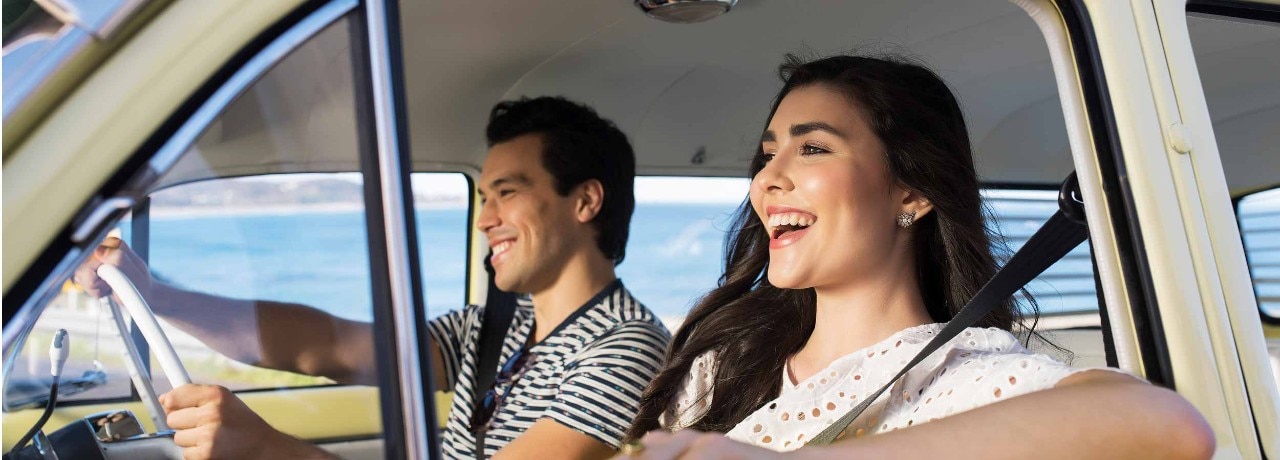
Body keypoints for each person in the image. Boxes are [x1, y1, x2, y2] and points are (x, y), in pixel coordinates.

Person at [619, 54, 1214, 459]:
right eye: (768, 155)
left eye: (814, 148)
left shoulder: (969, 380)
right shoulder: (721, 370)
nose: (767, 179)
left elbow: (1172, 427)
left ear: (911, 192)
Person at [77, 96, 671, 459]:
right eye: (483, 197)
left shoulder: (627, 349)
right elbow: (326, 345)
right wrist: (155, 296)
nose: (485, 219)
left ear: (585, 201)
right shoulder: (491, 328)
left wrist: (266, 449)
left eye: (507, 193)